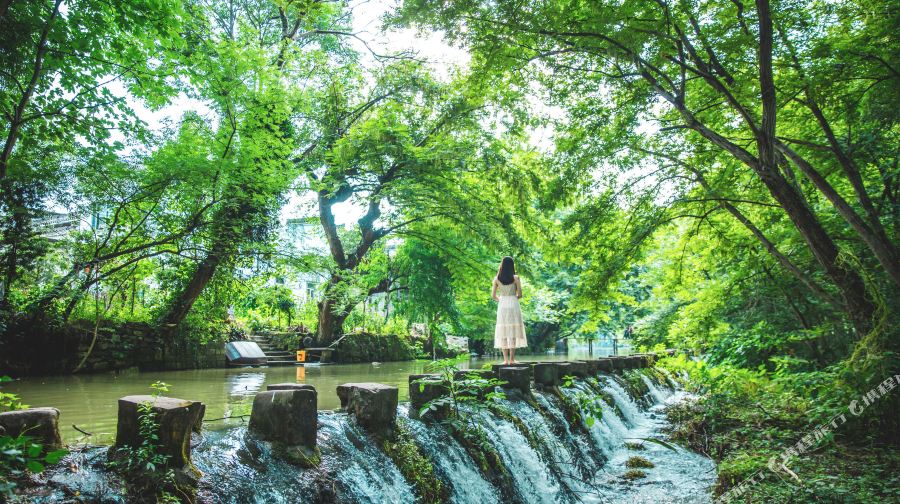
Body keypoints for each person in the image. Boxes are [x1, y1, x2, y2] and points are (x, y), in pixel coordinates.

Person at [492, 256, 527, 364]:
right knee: (513, 330)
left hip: (502, 304)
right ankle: (512, 359)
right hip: (513, 303)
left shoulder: (497, 279)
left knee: (503, 331)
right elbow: (520, 294)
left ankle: (505, 360)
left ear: (502, 265)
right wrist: (513, 298)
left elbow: (493, 296)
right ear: (512, 266)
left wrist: (501, 299)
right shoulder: (516, 278)